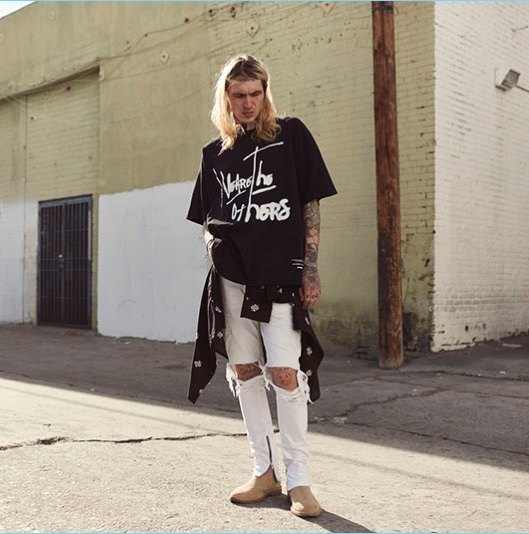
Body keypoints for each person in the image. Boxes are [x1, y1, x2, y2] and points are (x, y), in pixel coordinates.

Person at [186, 54, 337, 518]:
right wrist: (213, 242)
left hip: (279, 280)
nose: (248, 103)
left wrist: (310, 268)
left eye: (256, 94)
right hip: (231, 282)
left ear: (265, 93)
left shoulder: (291, 135)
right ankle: (264, 471)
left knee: (286, 375)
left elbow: (310, 205)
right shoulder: (215, 155)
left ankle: (300, 481)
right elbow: (207, 218)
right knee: (246, 372)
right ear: (226, 99)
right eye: (239, 95)